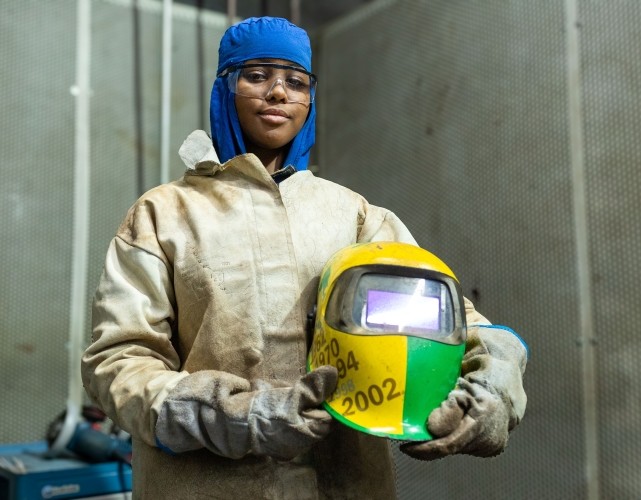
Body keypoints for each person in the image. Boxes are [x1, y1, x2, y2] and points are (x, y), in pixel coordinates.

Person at [81, 16, 528, 499]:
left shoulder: (354, 216)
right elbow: (119, 361)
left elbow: (453, 321)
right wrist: (235, 417)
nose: (278, 92)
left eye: (295, 82)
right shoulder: (164, 213)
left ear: (310, 99)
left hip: (346, 486)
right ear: (225, 88)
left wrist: (493, 386)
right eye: (257, 76)